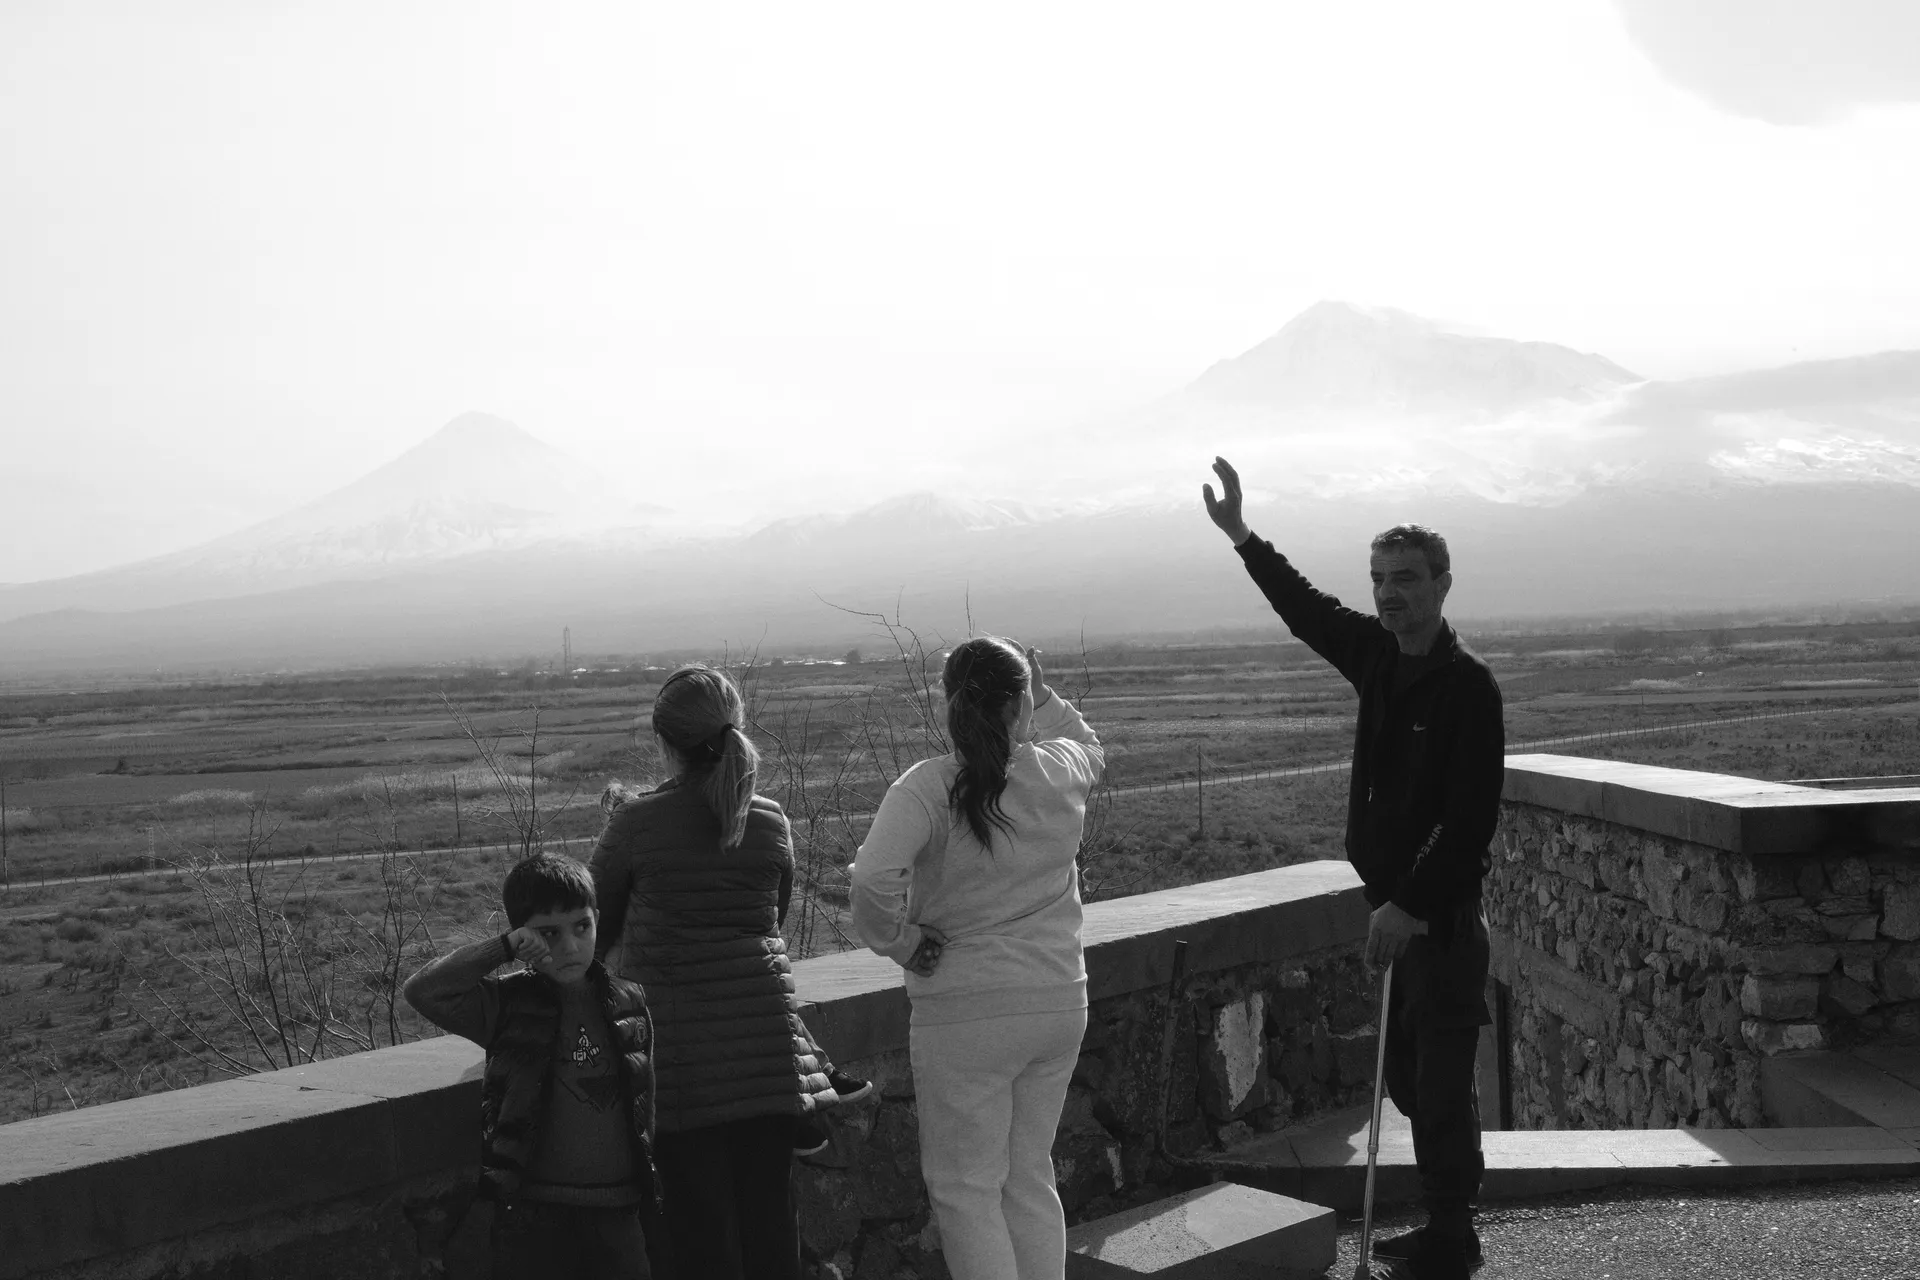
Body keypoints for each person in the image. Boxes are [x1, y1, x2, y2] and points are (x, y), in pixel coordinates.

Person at [1203, 457, 1502, 1280]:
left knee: (1438, 1084)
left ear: (1442, 585)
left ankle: (1453, 1235)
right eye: (1378, 579)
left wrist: (1409, 905)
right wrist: (1242, 536)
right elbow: (1305, 608)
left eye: (1405, 578)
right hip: (1393, 913)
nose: (1387, 593)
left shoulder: (1469, 689)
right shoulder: (1376, 656)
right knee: (1409, 1077)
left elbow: (1468, 822)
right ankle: (1448, 1222)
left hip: (1438, 923)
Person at [850, 637, 1103, 1280]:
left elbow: (872, 882)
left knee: (966, 1188)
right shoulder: (1059, 770)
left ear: (949, 703)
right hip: (1058, 998)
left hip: (965, 1010)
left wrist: (904, 943)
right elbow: (1090, 745)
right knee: (1028, 1175)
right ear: (1018, 705)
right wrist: (1042, 692)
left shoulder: (926, 787)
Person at [589, 664, 836, 1280]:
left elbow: (593, 930)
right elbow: (770, 922)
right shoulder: (770, 821)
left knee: (702, 1236)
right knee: (771, 1226)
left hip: (681, 1066)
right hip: (769, 1056)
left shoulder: (636, 823)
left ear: (663, 742)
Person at [401, 852, 662, 1280]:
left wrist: (645, 1189)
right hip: (535, 1215)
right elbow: (423, 991)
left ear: (597, 919)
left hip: (618, 1212)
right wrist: (502, 948)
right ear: (524, 936)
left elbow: (645, 1101)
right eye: (549, 933)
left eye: (581, 926)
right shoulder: (506, 1006)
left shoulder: (628, 1002)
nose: (570, 947)